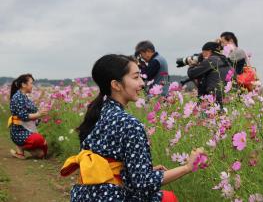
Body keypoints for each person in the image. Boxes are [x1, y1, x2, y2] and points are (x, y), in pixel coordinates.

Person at [60, 54, 204, 201]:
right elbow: (143, 183)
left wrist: (136, 170)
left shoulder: (97, 113)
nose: (142, 83)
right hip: (111, 196)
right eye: (136, 78)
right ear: (116, 85)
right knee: (168, 198)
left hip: (85, 195)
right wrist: (187, 167)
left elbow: (109, 164)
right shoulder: (129, 123)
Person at [8, 74, 48, 159]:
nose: (32, 86)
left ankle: (21, 152)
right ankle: (20, 147)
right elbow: (23, 116)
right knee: (40, 139)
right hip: (19, 131)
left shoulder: (24, 97)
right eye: (31, 83)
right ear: (23, 84)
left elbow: (33, 114)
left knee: (43, 153)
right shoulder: (18, 97)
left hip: (28, 130)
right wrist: (38, 114)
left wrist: (39, 114)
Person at [187, 42, 232, 107]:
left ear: (208, 52)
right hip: (228, 99)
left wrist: (192, 65)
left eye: (203, 53)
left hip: (211, 101)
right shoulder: (227, 61)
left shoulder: (211, 60)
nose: (202, 55)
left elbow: (192, 74)